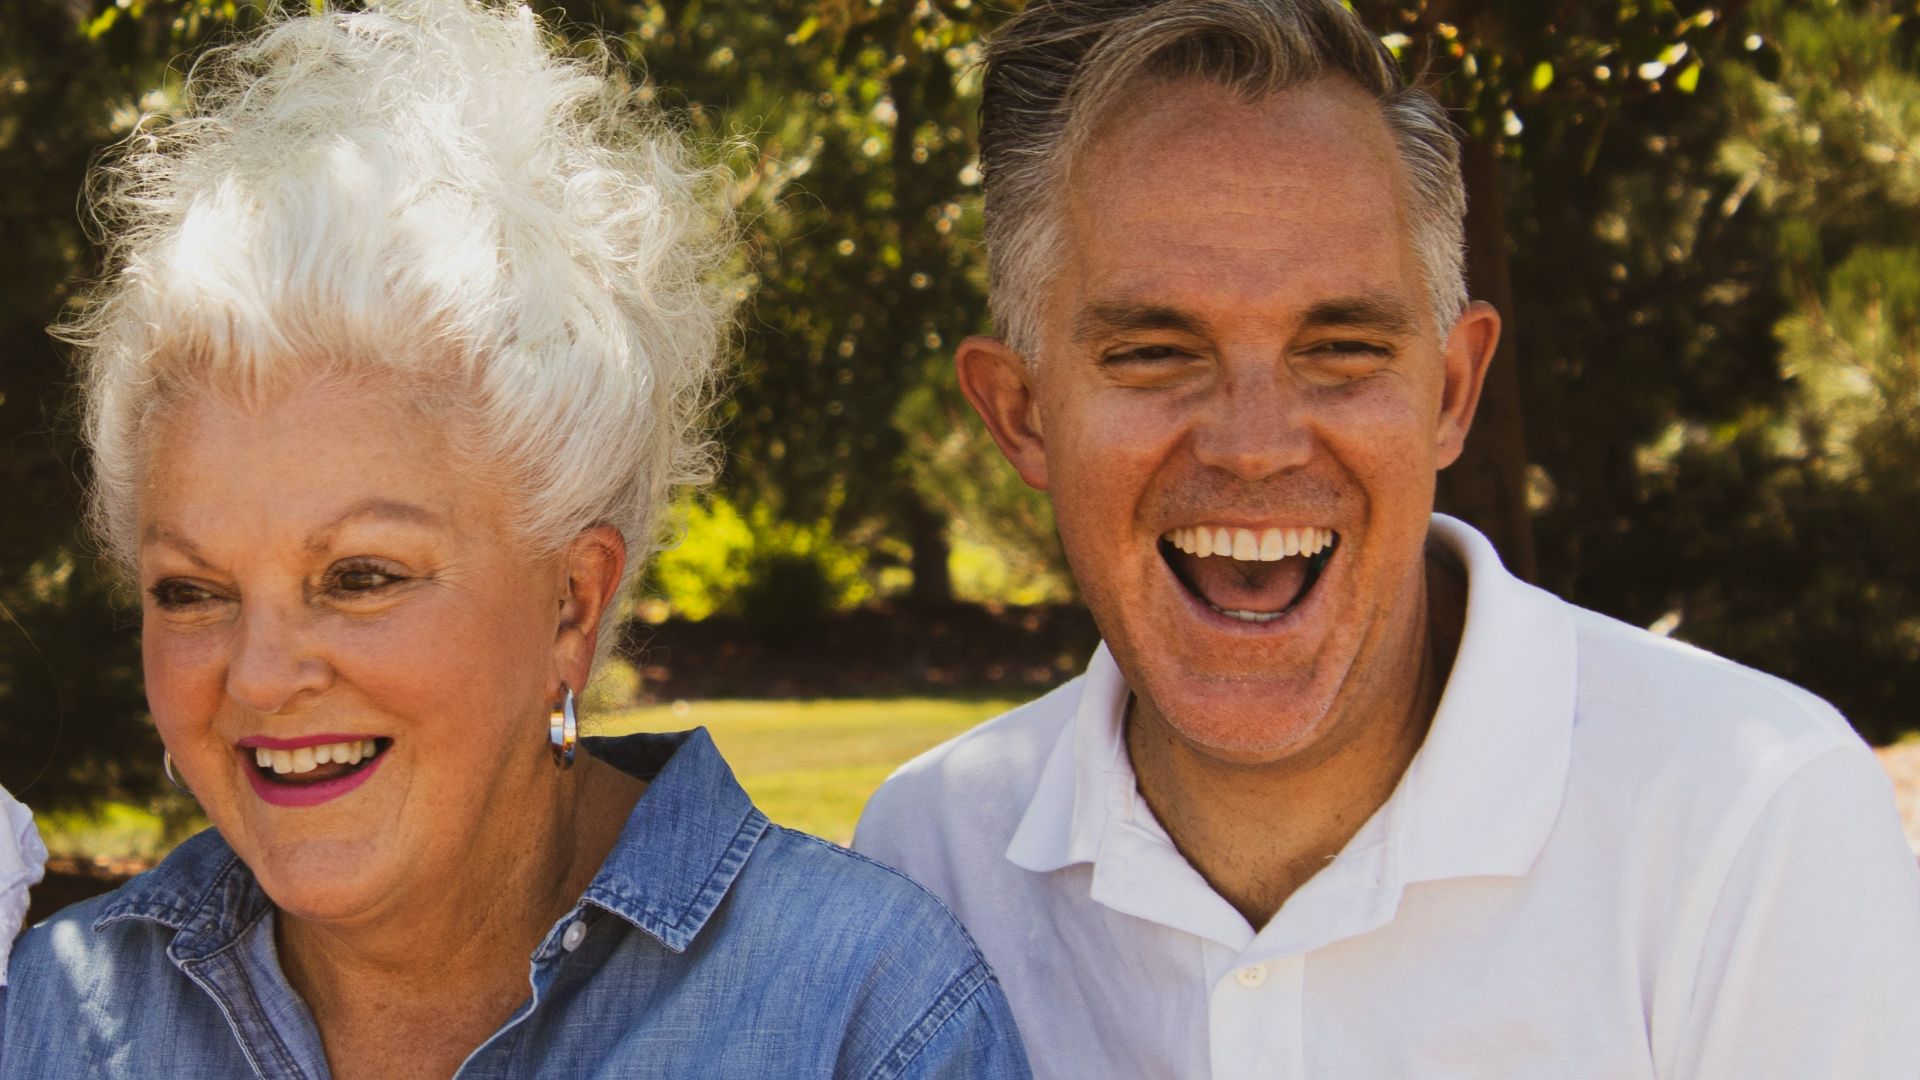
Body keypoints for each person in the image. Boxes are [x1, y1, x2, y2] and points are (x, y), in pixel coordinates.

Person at [853, 1, 1920, 1076]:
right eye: (1152, 353)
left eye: (1343, 347)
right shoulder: (934, 858)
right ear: (1021, 413)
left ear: (1452, 393)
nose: (1255, 446)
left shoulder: (1749, 823)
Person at [0, 4, 1029, 1077]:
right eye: (192, 592)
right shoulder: (61, 1016)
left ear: (571, 605)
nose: (258, 677)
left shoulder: (860, 1013)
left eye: (359, 577)